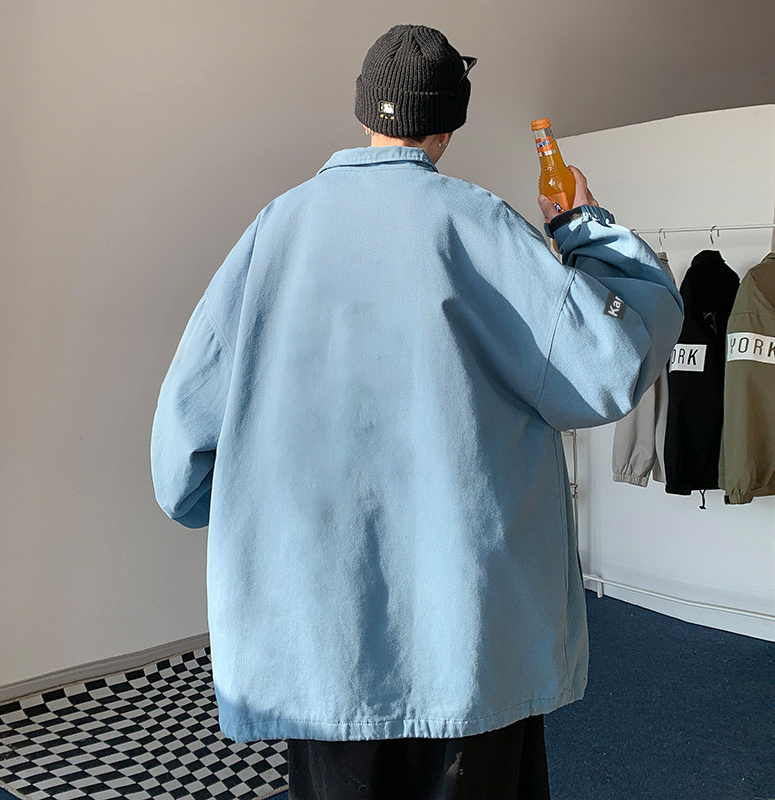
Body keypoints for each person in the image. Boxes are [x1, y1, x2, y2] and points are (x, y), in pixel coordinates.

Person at [150, 24, 684, 800]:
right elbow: (614, 365)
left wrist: (240, 513)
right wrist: (585, 230)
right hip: (468, 645)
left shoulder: (272, 231)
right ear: (448, 127)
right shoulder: (481, 225)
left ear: (364, 109)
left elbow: (180, 467)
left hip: (319, 642)